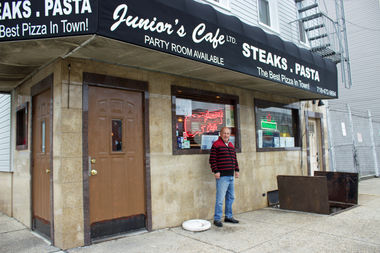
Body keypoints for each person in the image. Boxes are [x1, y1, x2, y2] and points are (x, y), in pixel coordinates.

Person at [209, 126, 240, 227]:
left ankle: (228, 216)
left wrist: (237, 170)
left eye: (228, 133)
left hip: (230, 175)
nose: (226, 135)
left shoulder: (231, 145)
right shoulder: (216, 145)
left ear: (230, 134)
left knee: (231, 197)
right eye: (224, 133)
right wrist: (216, 171)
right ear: (220, 134)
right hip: (222, 176)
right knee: (220, 199)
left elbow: (234, 159)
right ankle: (217, 219)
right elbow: (212, 160)